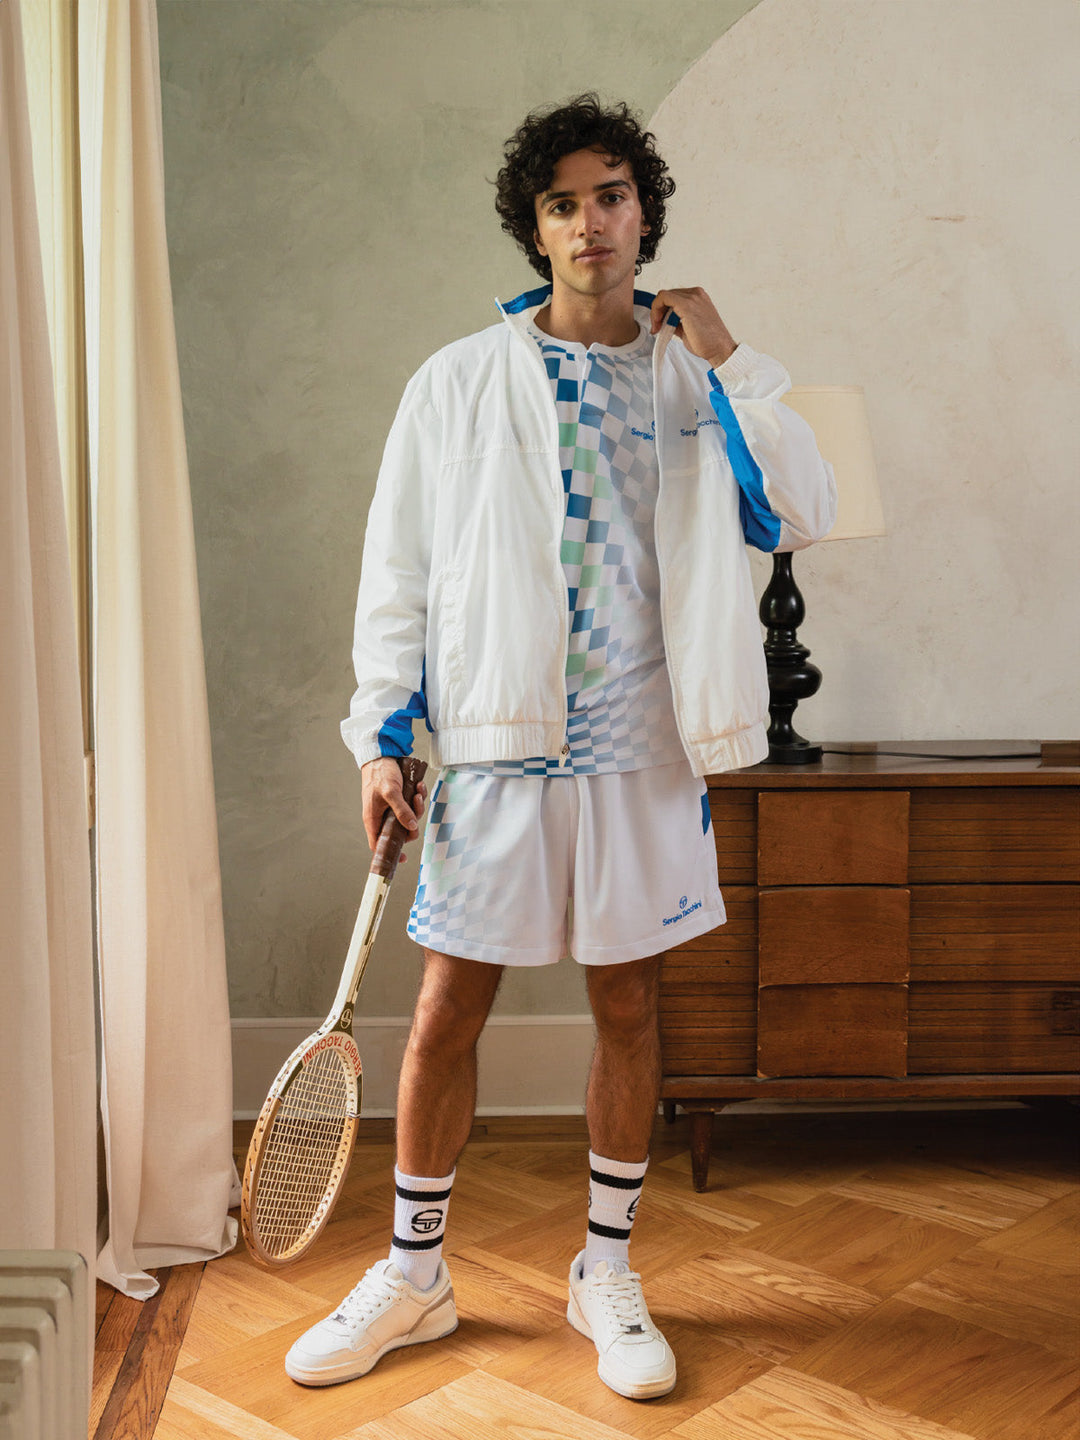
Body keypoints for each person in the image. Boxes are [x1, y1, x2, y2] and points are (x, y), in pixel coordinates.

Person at [285, 94, 835, 1401]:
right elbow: (398, 572)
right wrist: (380, 734)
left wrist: (735, 359)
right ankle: (415, 1275)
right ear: (534, 230)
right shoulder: (455, 383)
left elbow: (797, 511)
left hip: (644, 750)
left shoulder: (700, 380)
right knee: (445, 1012)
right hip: (494, 747)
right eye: (563, 203)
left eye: (612, 197)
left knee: (629, 1005)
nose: (591, 223)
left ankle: (606, 1269)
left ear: (645, 215)